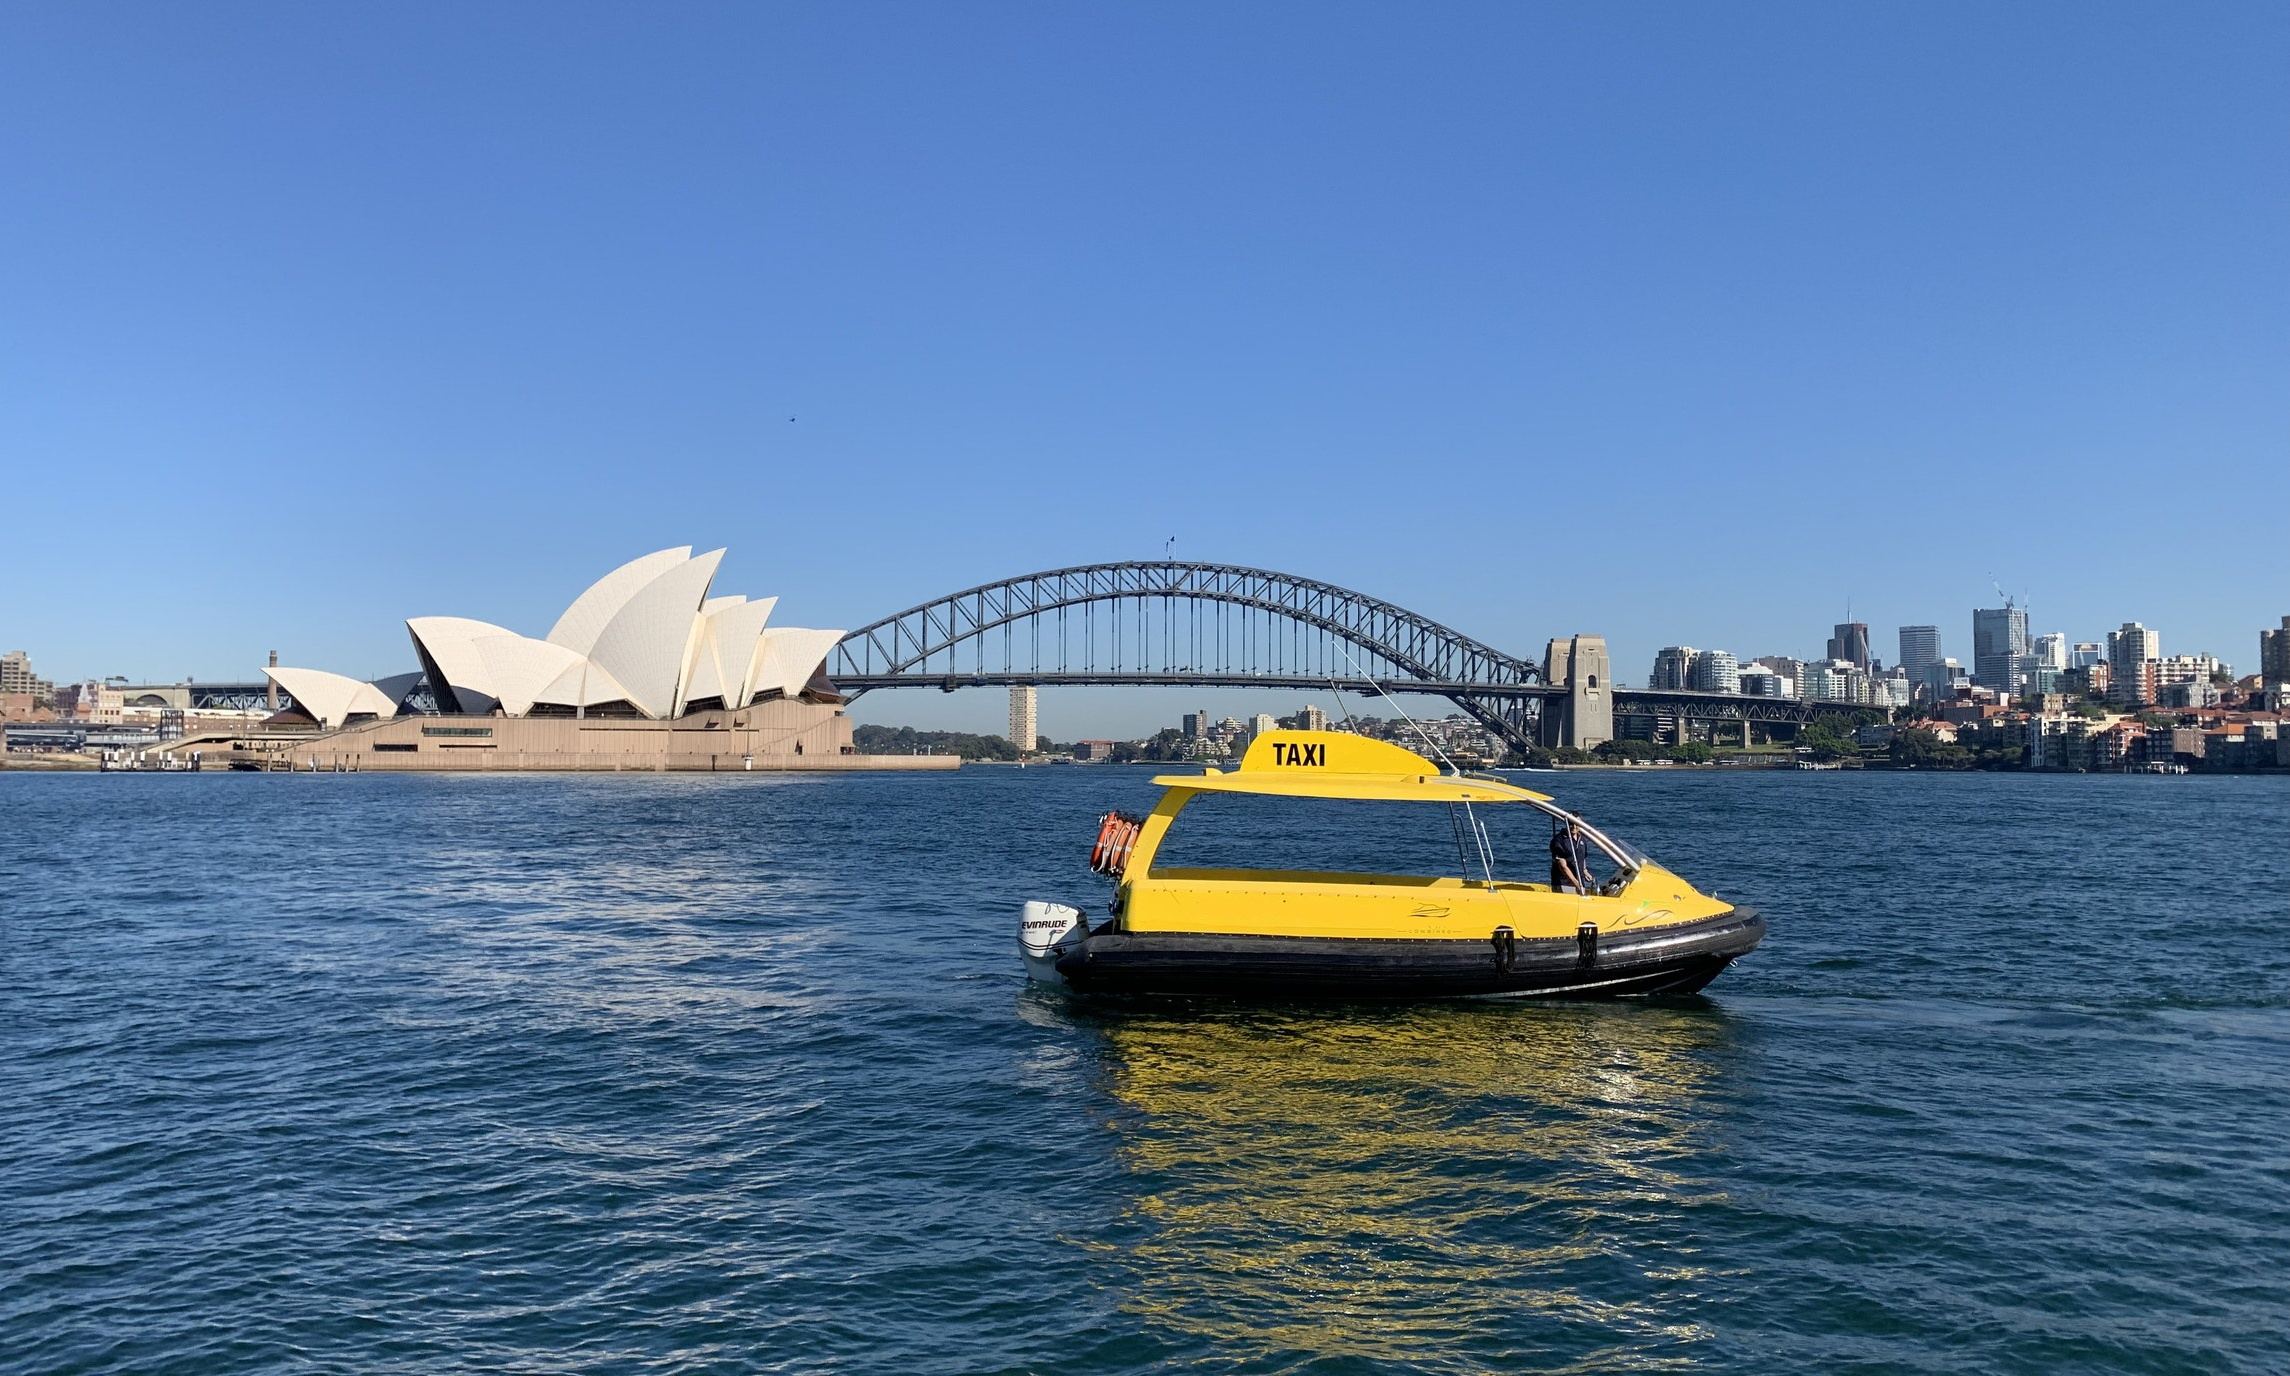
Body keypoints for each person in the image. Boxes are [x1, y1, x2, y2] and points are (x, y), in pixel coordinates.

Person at [1549, 820, 1590, 894]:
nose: (1574, 827)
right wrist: (1576, 883)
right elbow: (1562, 866)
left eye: (1576, 824)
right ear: (1567, 824)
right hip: (1564, 884)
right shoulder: (1558, 840)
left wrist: (1585, 872)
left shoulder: (1582, 840)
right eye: (1571, 824)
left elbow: (1582, 858)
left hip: (1579, 882)